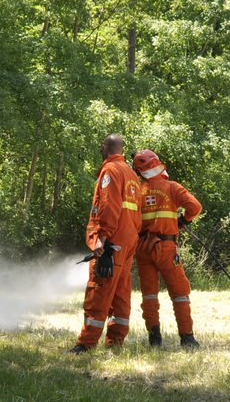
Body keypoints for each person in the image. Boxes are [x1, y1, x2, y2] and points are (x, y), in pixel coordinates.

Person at [70, 134, 142, 352]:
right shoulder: (132, 174)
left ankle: (86, 344)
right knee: (121, 291)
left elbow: (109, 206)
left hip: (112, 240)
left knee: (99, 288)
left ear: (105, 147)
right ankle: (116, 341)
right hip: (129, 240)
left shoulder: (110, 171)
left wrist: (102, 238)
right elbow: (137, 212)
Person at [131, 149, 202, 347]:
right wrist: (183, 220)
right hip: (166, 247)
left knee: (149, 294)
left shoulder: (137, 190)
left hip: (143, 247)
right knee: (179, 292)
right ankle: (187, 338)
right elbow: (195, 207)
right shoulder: (172, 187)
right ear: (157, 164)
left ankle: (154, 339)